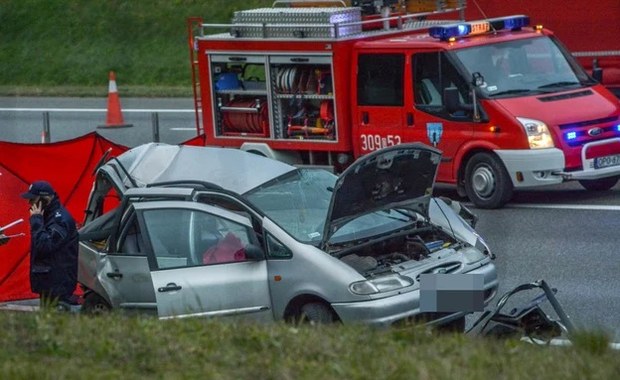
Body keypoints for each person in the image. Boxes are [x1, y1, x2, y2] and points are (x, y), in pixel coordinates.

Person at [21, 180, 79, 308]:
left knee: (54, 323)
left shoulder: (60, 220)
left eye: (32, 200)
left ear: (43, 200)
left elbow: (45, 246)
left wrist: (36, 221)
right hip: (48, 283)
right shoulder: (47, 217)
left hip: (58, 284)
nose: (29, 204)